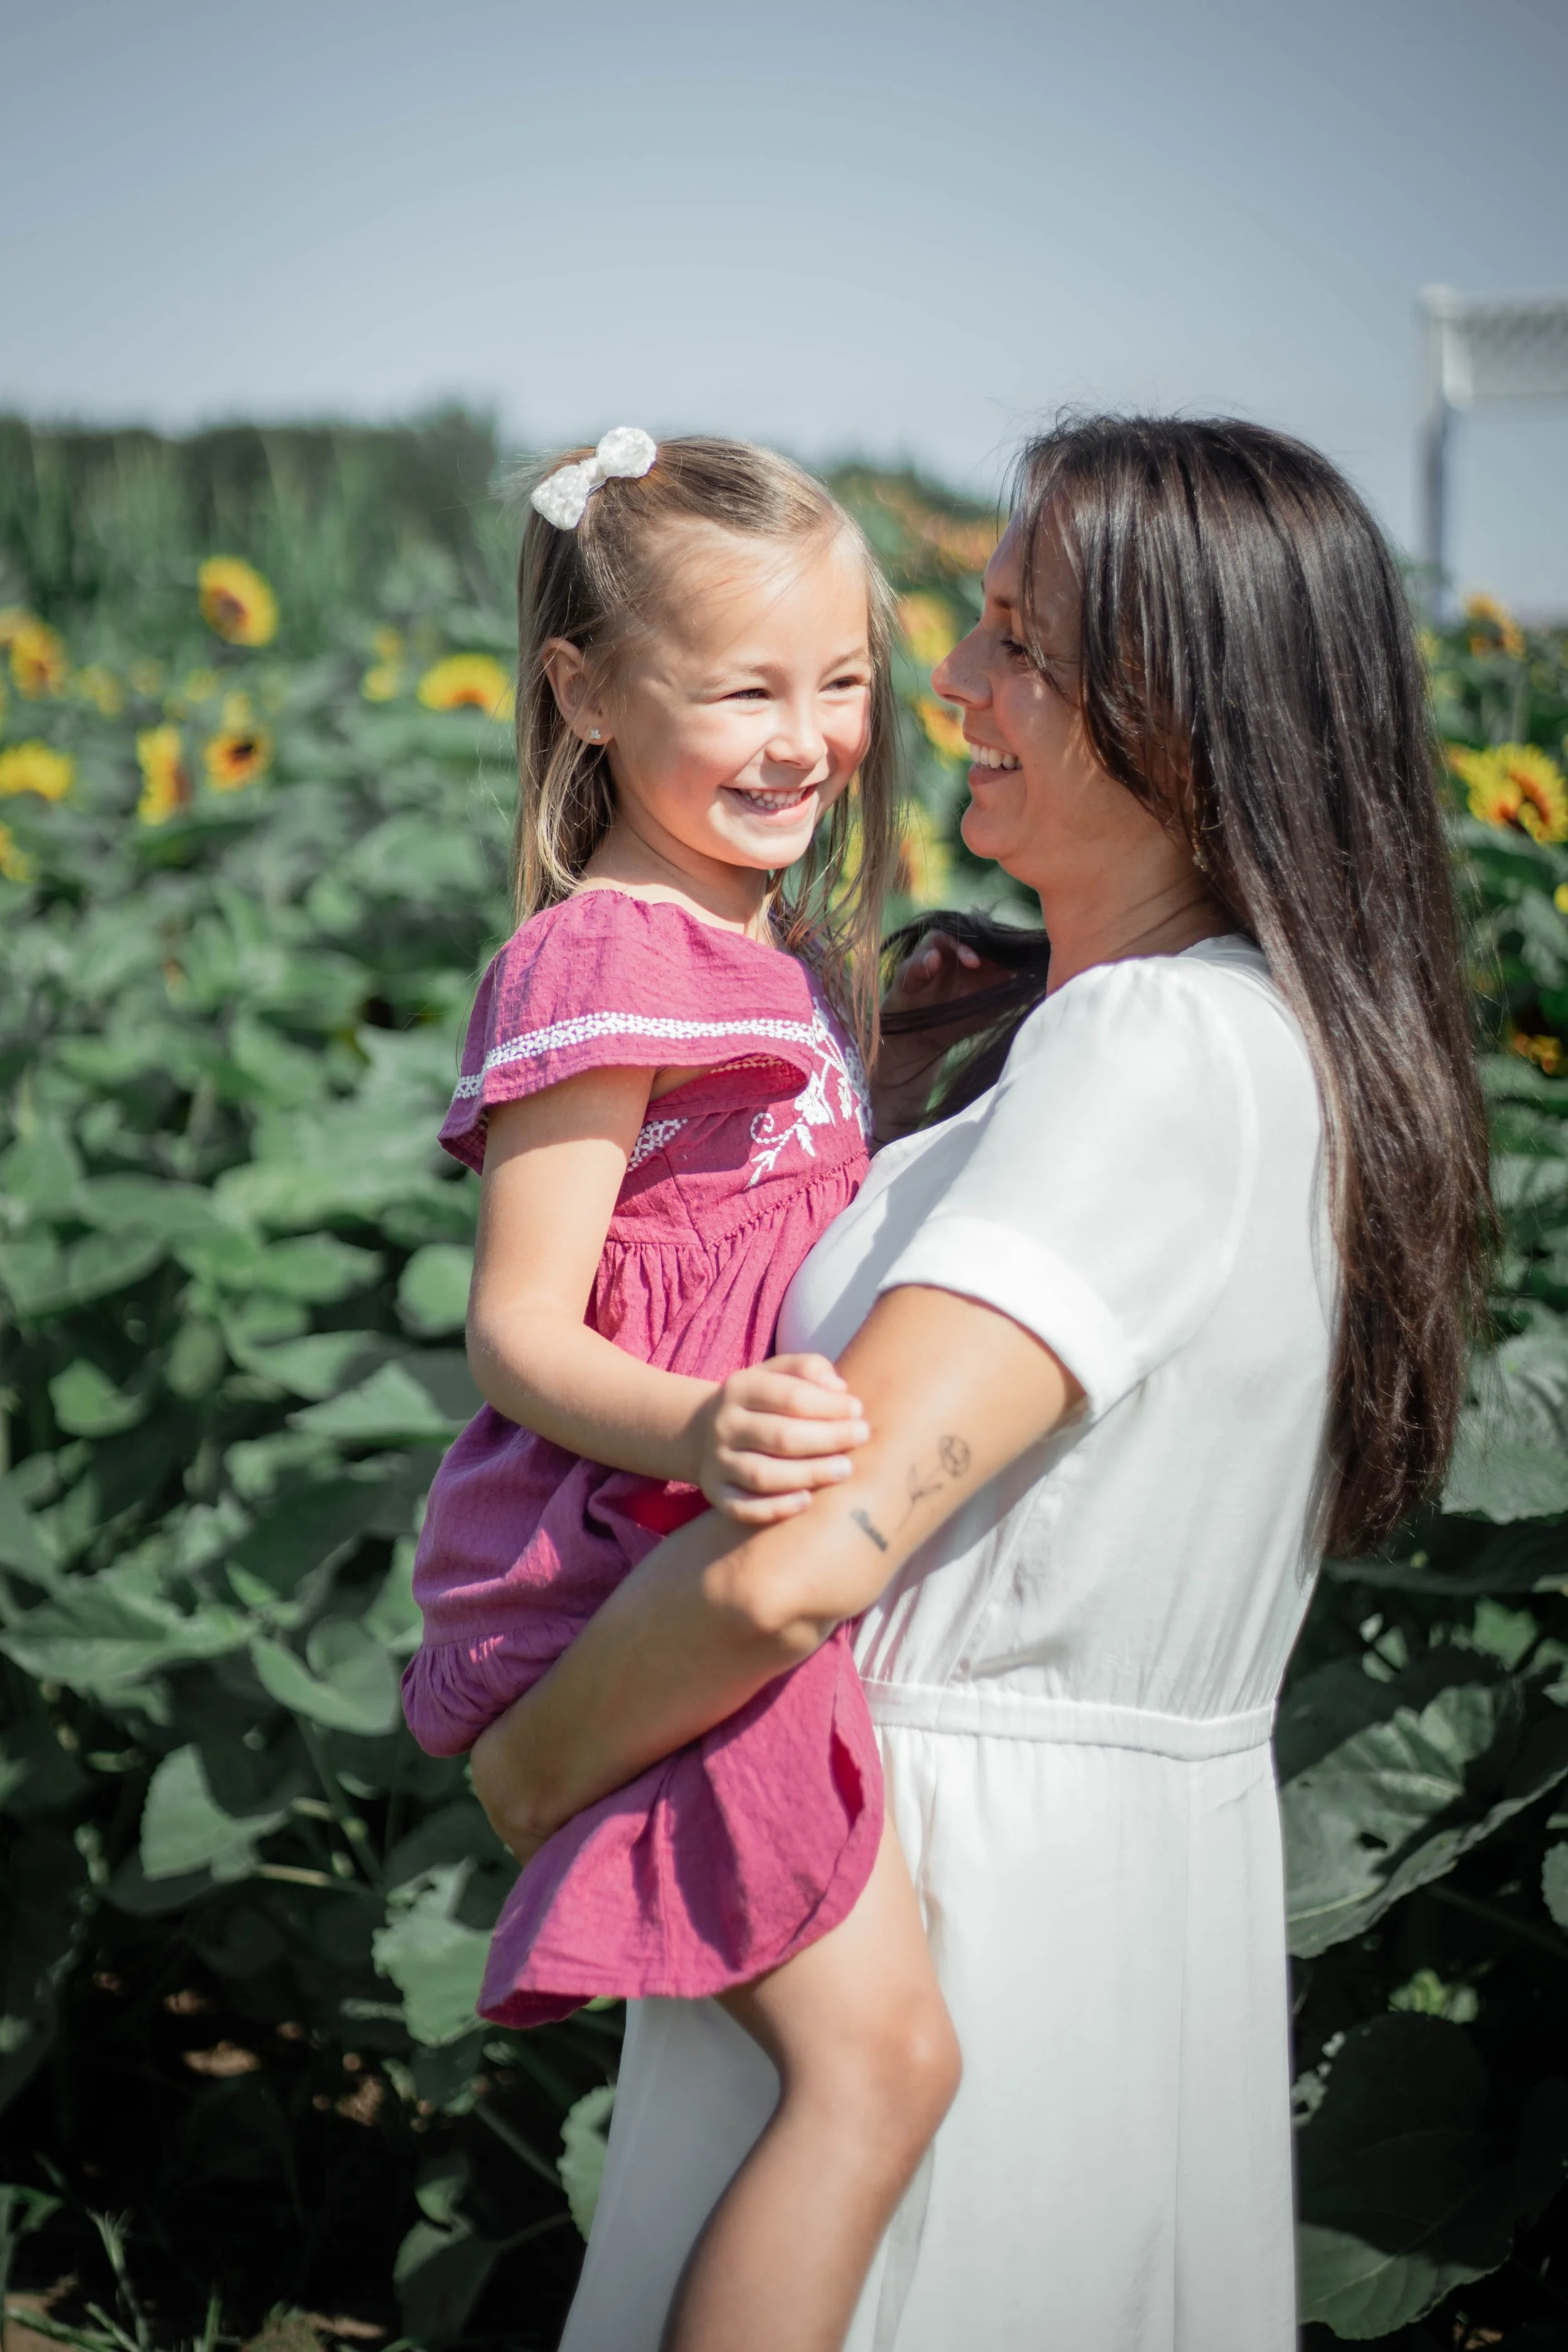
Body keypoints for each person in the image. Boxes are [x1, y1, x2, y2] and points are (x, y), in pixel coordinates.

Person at [468, 415, 1493, 2352]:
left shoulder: (1149, 1050)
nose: (945, 680)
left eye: (1016, 638)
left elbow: (802, 1558)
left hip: (961, 1871)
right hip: (1071, 1875)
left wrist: (535, 1761)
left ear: (1187, 710)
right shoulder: (1220, 1042)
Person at [401, 433, 963, 2352]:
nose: (807, 736)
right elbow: (521, 1332)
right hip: (617, 1563)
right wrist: (696, 1426)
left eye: (841, 680)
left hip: (705, 1549)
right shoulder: (597, 956)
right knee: (877, 2067)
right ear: (578, 692)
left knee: (873, 2063)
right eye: (741, 687)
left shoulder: (771, 951)